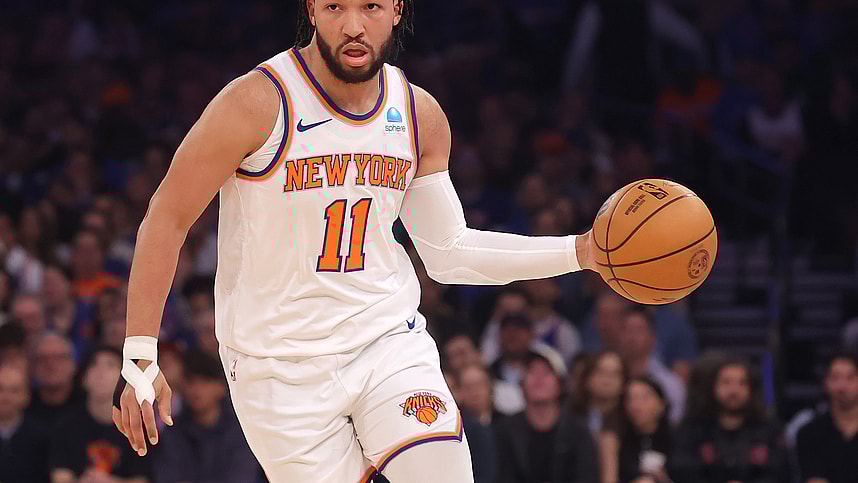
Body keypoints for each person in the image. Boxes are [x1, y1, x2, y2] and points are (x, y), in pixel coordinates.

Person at [112, 1, 601, 482]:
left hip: (385, 342)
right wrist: (140, 352)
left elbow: (449, 252)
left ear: (397, 10)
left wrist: (580, 252)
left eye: (369, 6)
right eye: (334, 7)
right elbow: (167, 218)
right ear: (310, 10)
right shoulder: (257, 101)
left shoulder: (417, 112)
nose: (352, 26)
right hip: (277, 366)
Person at [671, 357, 787, 483]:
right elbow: (682, 471)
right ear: (713, 387)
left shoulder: (769, 429)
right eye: (726, 382)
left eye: (742, 383)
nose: (734, 390)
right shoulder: (692, 427)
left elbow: (781, 473)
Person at [494, 344, 599, 483]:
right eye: (532, 371)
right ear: (522, 384)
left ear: (560, 384)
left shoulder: (578, 432)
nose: (539, 379)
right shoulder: (504, 431)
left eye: (546, 372)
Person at [154, 349, 261, 483]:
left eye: (205, 382)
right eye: (191, 382)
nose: (196, 390)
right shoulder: (173, 431)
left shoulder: (241, 430)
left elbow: (243, 476)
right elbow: (168, 476)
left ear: (221, 386)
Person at [51, 346, 150, 483]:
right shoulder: (66, 425)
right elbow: (59, 476)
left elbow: (142, 479)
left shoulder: (136, 427)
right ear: (84, 379)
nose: (100, 372)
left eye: (110, 365)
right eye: (94, 364)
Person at [795, 351, 858, 483]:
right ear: (826, 383)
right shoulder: (809, 433)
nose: (842, 387)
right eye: (835, 378)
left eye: (850, 378)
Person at [617, 307, 685, 423]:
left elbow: (674, 425)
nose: (631, 337)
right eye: (626, 330)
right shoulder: (610, 376)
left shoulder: (669, 384)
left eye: (638, 330)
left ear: (652, 338)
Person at [0, 365, 51, 483]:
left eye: (14, 390)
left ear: (27, 396)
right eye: (0, 389)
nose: (5, 397)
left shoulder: (41, 437)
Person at [27, 333, 84, 428]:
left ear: (73, 365)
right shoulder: (24, 405)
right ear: (33, 367)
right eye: (43, 359)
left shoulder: (88, 406)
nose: (51, 365)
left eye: (59, 358)